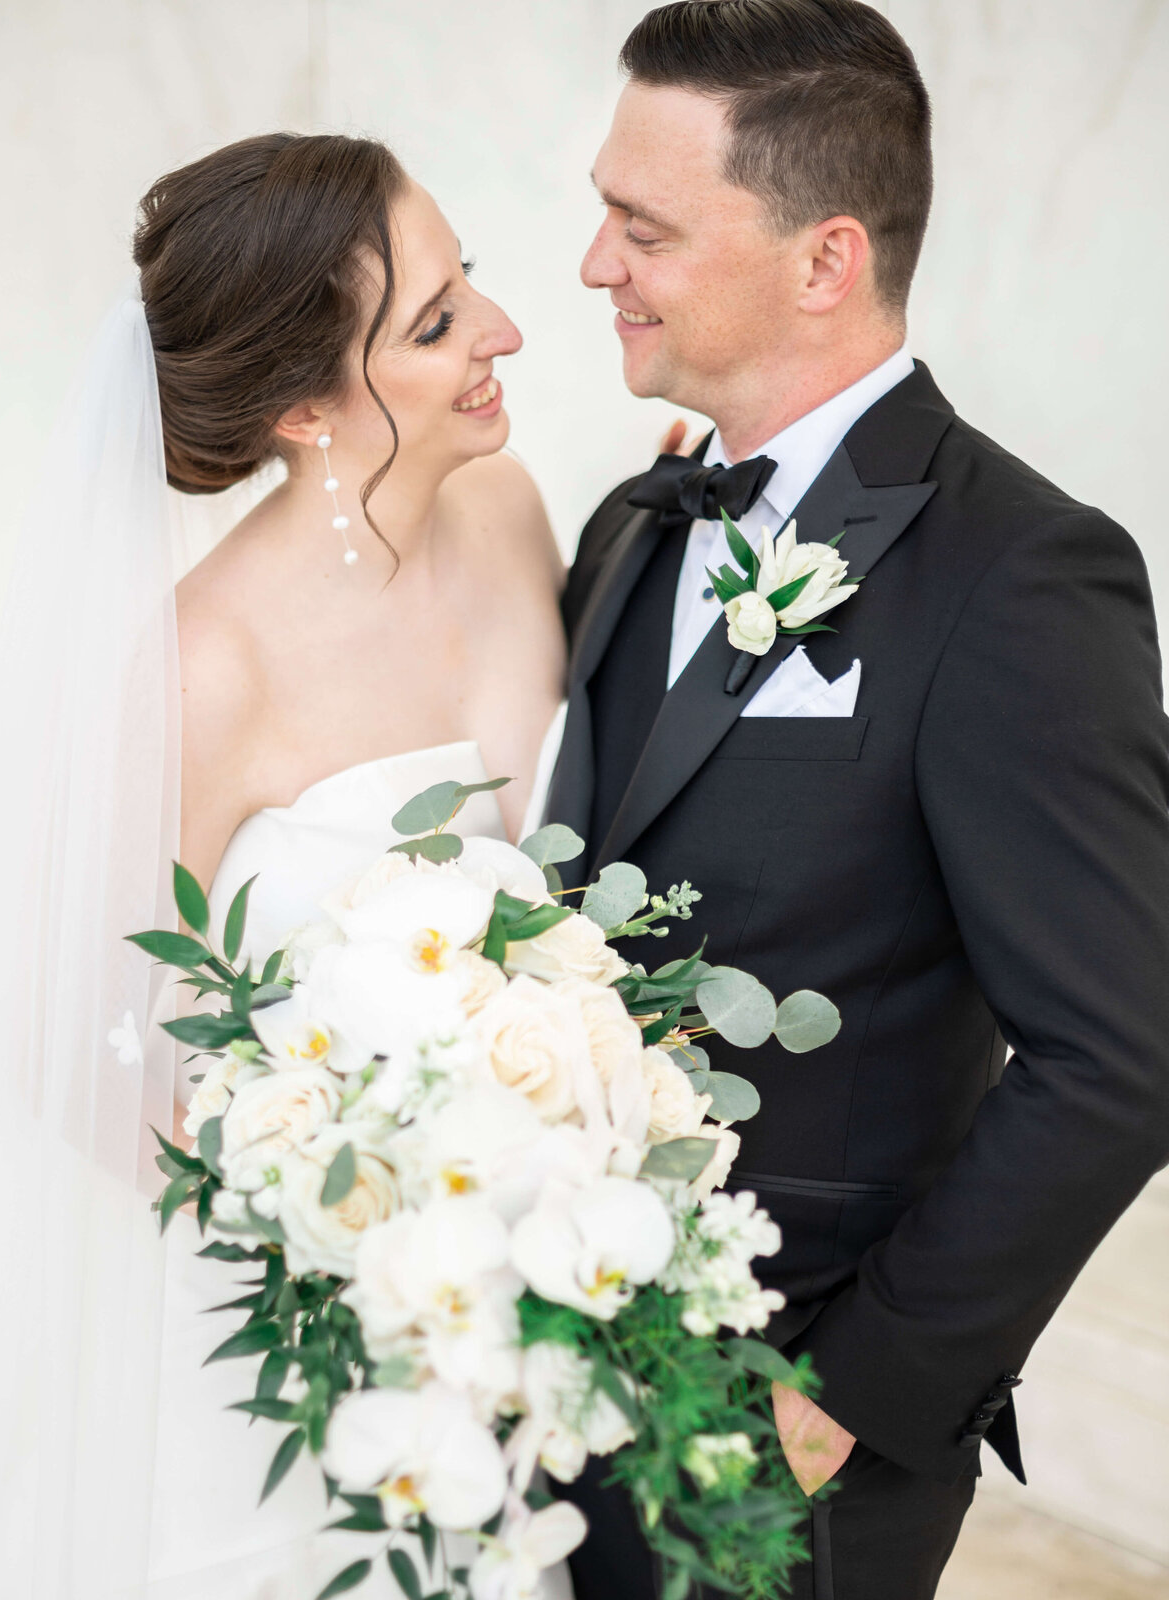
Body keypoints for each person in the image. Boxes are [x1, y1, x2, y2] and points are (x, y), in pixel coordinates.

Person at [546, 3, 1169, 1597]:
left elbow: (1124, 1052)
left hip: (787, 1420)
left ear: (825, 258)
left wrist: (849, 1399)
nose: (594, 265)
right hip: (549, 1361)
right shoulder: (637, 519)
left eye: (644, 226)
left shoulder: (1025, 573)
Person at [0, 132, 567, 1600]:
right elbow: (73, 1051)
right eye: (432, 324)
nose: (502, 331)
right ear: (305, 405)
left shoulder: (508, 514)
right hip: (290, 1340)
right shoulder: (203, 668)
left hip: (498, 1313)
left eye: (467, 279)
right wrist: (341, 1235)